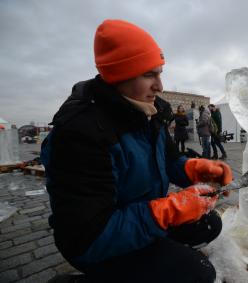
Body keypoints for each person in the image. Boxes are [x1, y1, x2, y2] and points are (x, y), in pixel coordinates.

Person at [40, 19, 232, 283]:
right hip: (96, 241)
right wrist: (168, 211)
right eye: (149, 74)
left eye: (159, 73)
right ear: (120, 74)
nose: (160, 85)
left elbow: (170, 159)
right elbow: (91, 234)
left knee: (209, 224)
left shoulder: (147, 114)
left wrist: (196, 169)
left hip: (139, 216)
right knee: (196, 275)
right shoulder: (80, 133)